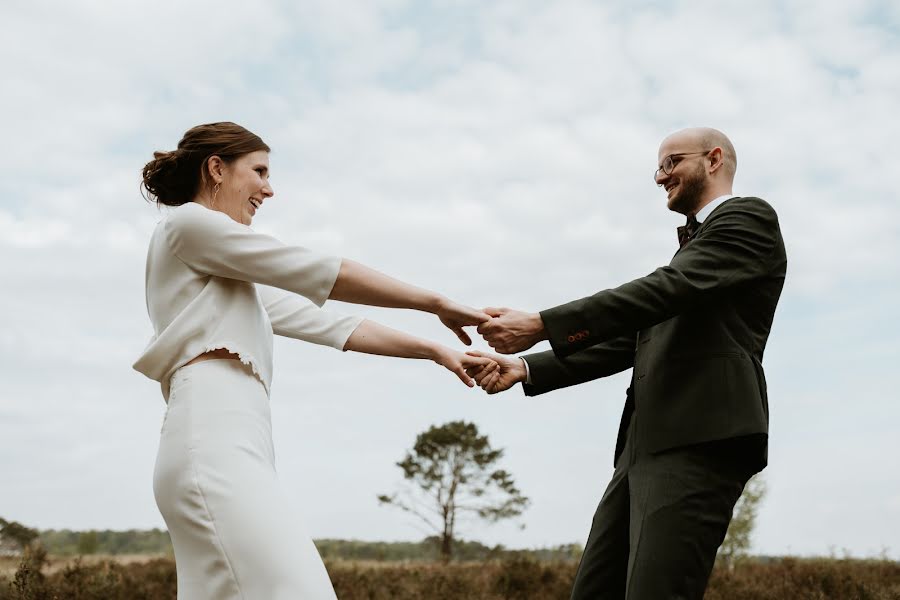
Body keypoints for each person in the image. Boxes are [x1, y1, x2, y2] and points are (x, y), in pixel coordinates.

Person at [133, 122, 496, 599]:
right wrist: (436, 302)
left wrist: (434, 349)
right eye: (259, 171)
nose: (269, 187)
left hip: (238, 440)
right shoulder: (188, 225)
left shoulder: (227, 283)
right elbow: (325, 272)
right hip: (210, 440)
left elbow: (331, 324)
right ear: (216, 169)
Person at [468, 127, 787, 599]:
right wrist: (529, 368)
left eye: (671, 162)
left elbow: (663, 291)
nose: (661, 177)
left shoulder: (749, 218)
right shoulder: (692, 254)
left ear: (714, 159)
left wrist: (542, 323)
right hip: (642, 446)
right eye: (658, 167)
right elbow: (638, 336)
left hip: (700, 437)